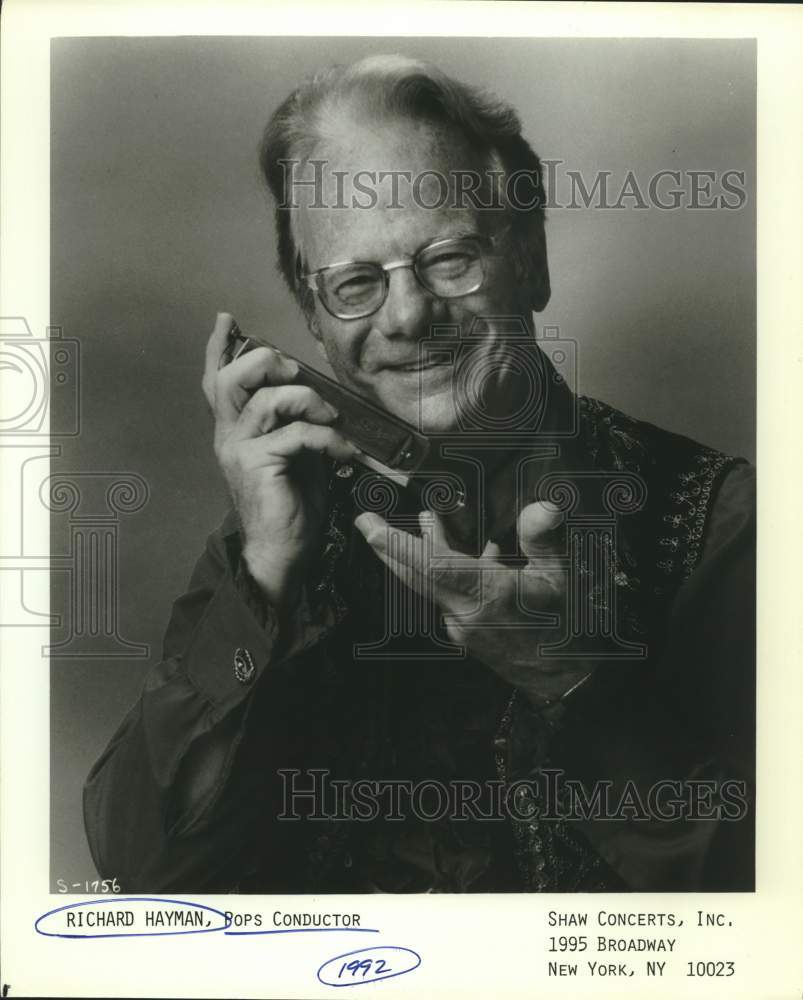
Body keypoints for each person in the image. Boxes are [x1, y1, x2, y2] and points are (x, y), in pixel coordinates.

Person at [84, 55, 755, 893]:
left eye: (448, 260)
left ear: (531, 261)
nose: (406, 318)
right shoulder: (283, 523)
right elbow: (145, 876)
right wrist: (261, 575)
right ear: (312, 319)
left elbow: (768, 917)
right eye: (356, 284)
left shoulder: (729, 522)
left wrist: (570, 677)